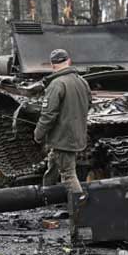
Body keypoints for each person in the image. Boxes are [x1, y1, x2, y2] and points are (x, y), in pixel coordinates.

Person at [33, 48, 91, 195]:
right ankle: (48, 197)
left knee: (68, 175)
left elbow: (48, 115)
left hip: (63, 138)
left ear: (52, 65)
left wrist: (38, 134)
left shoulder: (56, 84)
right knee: (52, 166)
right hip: (77, 134)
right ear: (69, 61)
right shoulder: (82, 81)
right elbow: (88, 104)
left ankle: (80, 208)